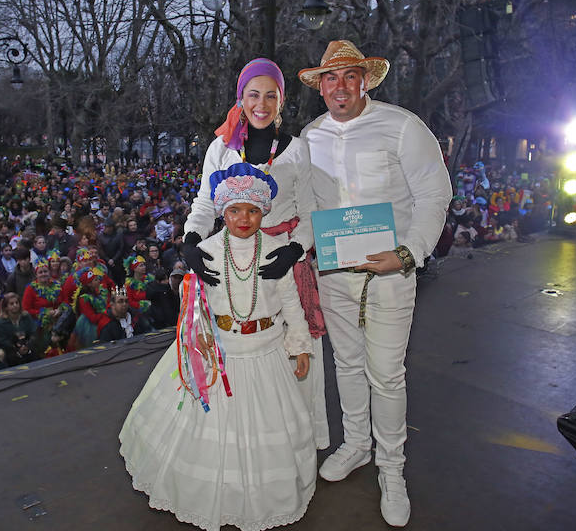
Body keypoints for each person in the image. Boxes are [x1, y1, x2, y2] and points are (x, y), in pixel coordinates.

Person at [298, 40, 452, 526]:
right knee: (347, 364)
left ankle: (392, 469)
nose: (340, 86)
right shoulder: (310, 136)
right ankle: (357, 444)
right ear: (320, 86)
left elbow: (435, 193)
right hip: (336, 273)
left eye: (349, 76)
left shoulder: (403, 126)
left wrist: (409, 253)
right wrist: (304, 244)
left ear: (366, 80)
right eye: (331, 78)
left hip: (391, 272)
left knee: (386, 374)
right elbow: (307, 207)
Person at [120, 162, 315, 531]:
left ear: (264, 212)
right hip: (218, 352)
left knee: (267, 433)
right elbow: (192, 307)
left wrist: (300, 345)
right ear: (222, 212)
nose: (244, 218)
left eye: (253, 211)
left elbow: (291, 303)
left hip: (266, 350)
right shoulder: (206, 251)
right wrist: (187, 282)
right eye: (235, 211)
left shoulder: (278, 252)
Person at [182, 57, 329, 449]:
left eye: (270, 95)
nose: (260, 104)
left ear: (281, 101)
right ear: (241, 98)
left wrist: (295, 249)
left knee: (290, 352)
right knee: (237, 353)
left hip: (282, 263)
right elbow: (204, 203)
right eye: (253, 94)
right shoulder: (221, 147)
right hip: (232, 262)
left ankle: (292, 445)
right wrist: (191, 240)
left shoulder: (297, 150)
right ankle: (240, 444)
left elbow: (310, 209)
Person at [0, 292, 42, 365]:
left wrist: (27, 345)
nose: (15, 305)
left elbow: (34, 332)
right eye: (11, 304)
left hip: (29, 349)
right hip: (11, 354)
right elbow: (3, 341)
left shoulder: (26, 317)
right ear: (5, 307)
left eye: (17, 303)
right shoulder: (0, 323)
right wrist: (17, 348)